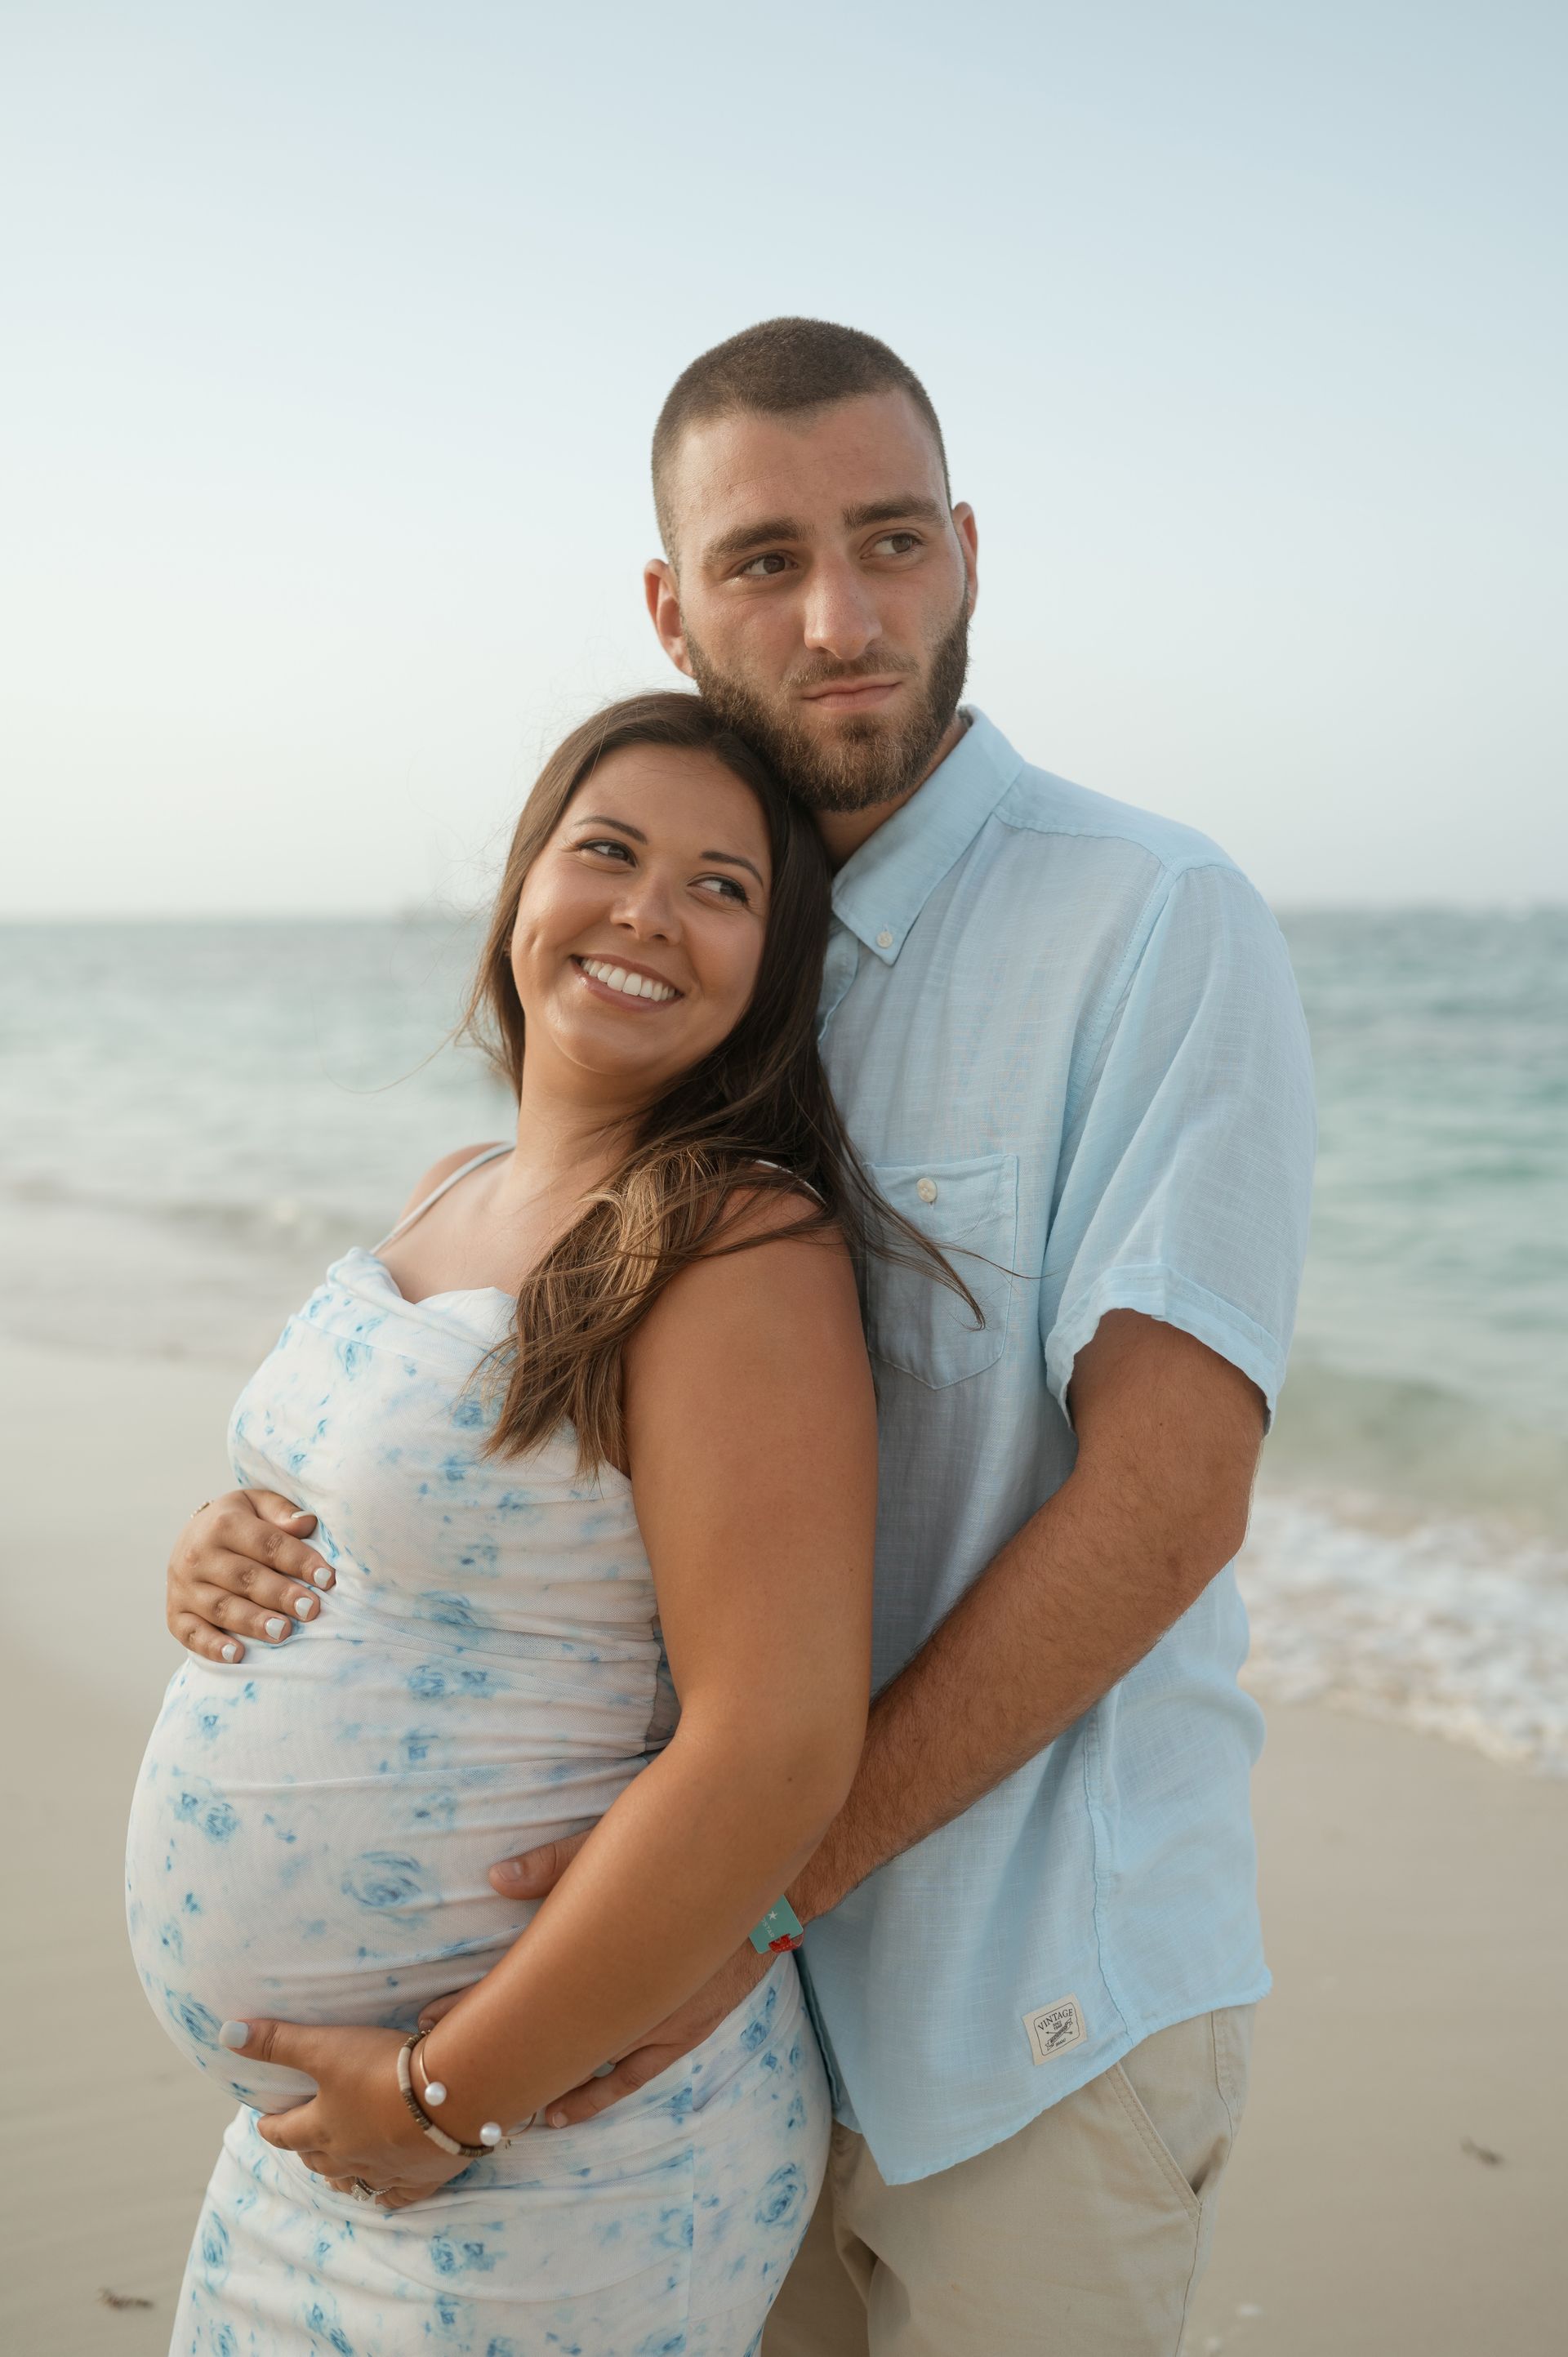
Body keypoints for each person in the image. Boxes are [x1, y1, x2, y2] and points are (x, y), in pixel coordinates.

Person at [166, 319, 1317, 2355]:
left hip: (1017, 2002)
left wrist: (764, 1893)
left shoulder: (1149, 920)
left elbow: (1171, 1493)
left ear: (968, 552)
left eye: (890, 543)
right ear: (670, 603)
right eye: (765, 560)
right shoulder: (693, 974)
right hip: (683, 2050)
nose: (843, 616)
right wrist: (265, 1550)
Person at [126, 691, 936, 2355]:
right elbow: (377, 1517)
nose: (647, 911)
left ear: (771, 969)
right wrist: (215, 1548)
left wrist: (446, 2099)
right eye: (610, 851)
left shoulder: (733, 1247)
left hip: (543, 2153)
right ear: (523, 887)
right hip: (317, 2148)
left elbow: (775, 1743)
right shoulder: (450, 1183)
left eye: (721, 888)